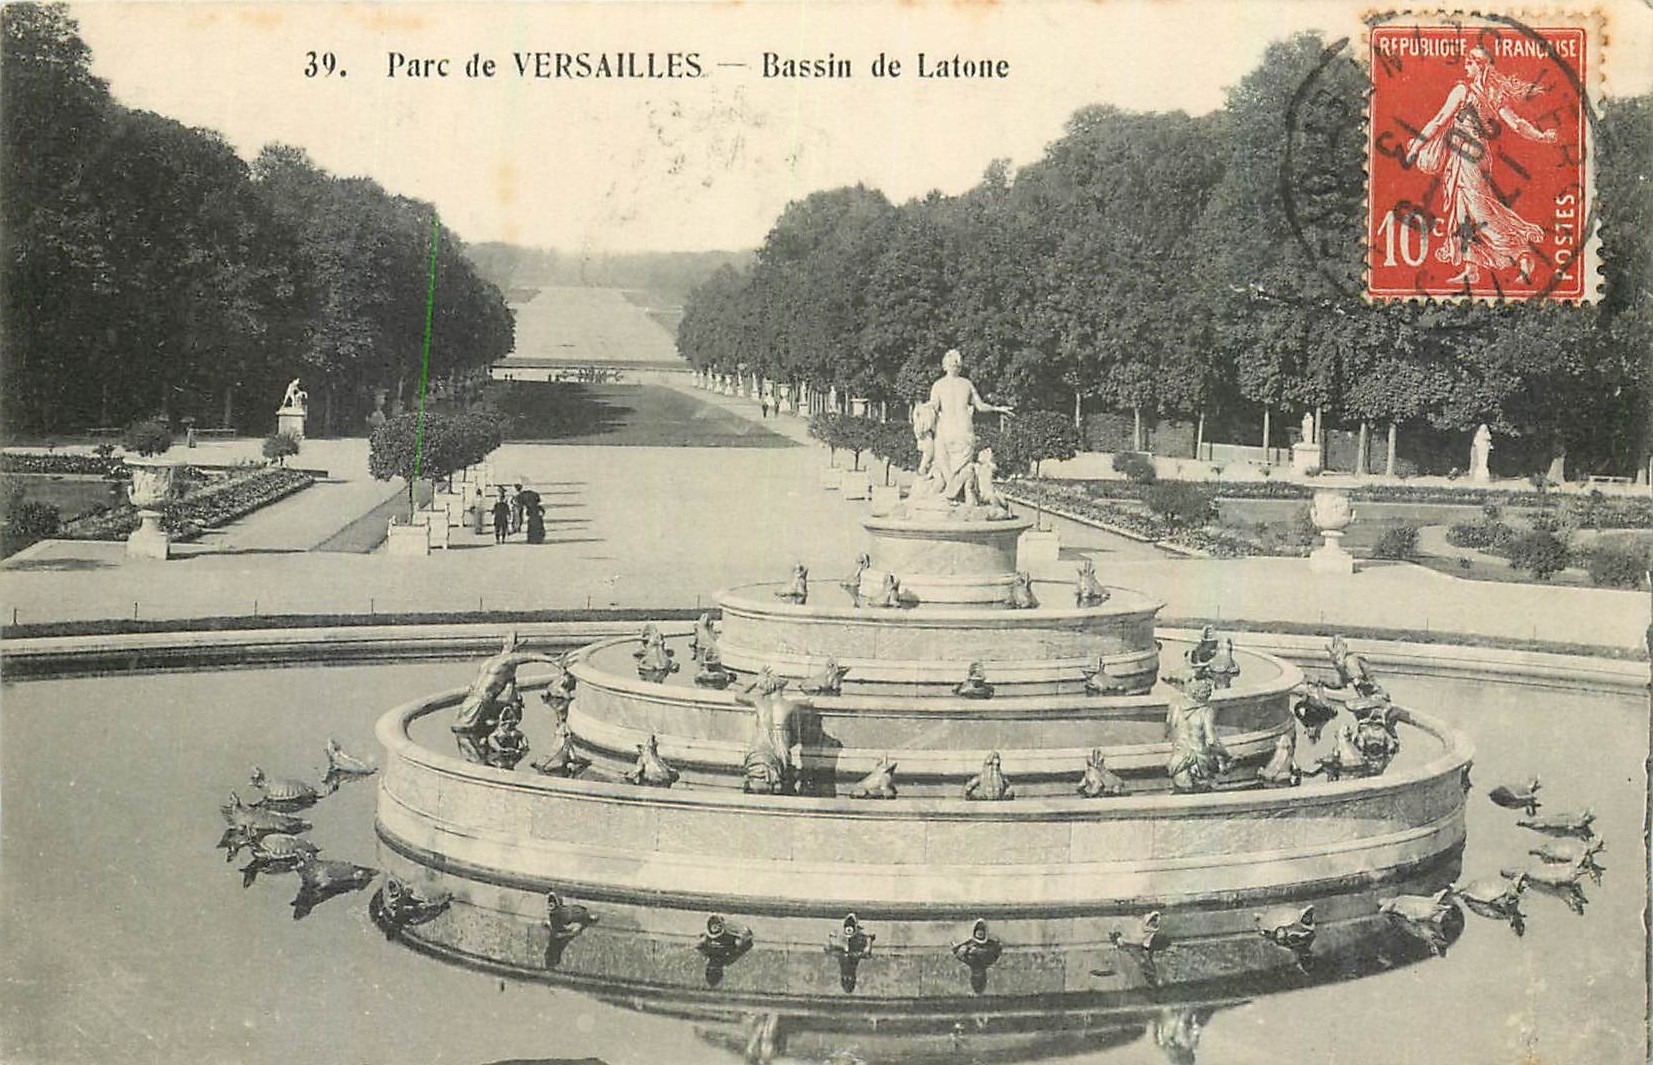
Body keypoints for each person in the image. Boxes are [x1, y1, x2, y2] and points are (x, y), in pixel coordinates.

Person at [1405, 46, 1559, 286]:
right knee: (1462, 210)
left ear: (1479, 65)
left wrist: (1415, 148)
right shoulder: (1494, 94)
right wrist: (1540, 136)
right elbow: (1517, 123)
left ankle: (1523, 254)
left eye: (1469, 63)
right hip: (1471, 155)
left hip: (1469, 155)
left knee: (1479, 210)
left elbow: (1439, 120)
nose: (1465, 67)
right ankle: (1471, 268)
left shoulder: (1463, 90)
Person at [928, 349, 1013, 499]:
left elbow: (933, 408)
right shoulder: (966, 384)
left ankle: (951, 491)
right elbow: (980, 406)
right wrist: (997, 408)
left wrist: (921, 412)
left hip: (947, 428)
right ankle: (958, 492)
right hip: (964, 430)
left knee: (942, 459)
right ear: (959, 366)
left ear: (944, 365)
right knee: (962, 465)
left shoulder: (938, 385)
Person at [451, 631, 565, 734]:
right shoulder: (508, 659)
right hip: (481, 703)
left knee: (464, 733)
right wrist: (552, 660)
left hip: (470, 700)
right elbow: (531, 656)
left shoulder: (491, 660)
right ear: (515, 647)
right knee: (468, 733)